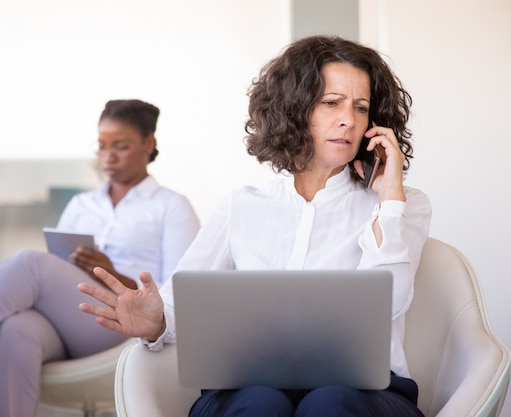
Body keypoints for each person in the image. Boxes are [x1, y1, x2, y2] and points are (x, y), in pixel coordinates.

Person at [77, 36, 432, 417]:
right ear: (294, 109)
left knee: (328, 402)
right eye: (331, 103)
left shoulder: (401, 204)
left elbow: (389, 303)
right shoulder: (243, 205)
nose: (349, 119)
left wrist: (389, 199)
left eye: (360, 108)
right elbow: (180, 301)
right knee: (258, 403)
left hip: (365, 392)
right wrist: (157, 320)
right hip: (252, 386)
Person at [0, 99, 201, 417]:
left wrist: (111, 273)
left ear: (149, 144)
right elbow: (53, 271)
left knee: (29, 263)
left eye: (121, 146)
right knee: (17, 329)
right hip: (70, 319)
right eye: (101, 146)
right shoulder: (81, 205)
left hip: (122, 327)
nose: (108, 157)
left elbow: (176, 298)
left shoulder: (172, 207)